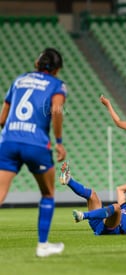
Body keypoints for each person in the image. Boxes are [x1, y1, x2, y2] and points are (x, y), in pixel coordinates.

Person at [0, 48, 66, 257]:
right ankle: (43, 245)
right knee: (47, 193)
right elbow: (56, 110)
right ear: (56, 69)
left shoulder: (19, 80)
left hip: (8, 140)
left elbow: (2, 119)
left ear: (37, 64)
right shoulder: (57, 85)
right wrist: (59, 142)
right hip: (36, 144)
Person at [59, 161, 126, 235]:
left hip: (113, 229)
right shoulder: (125, 207)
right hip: (100, 222)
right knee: (92, 195)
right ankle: (68, 180)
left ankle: (83, 216)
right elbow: (120, 189)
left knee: (116, 207)